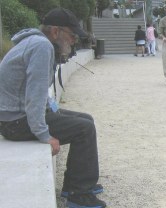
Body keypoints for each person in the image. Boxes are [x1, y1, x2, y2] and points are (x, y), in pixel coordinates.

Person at [0, 8, 106, 208]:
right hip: (15, 121)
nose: (74, 40)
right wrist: (44, 135)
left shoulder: (34, 42)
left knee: (86, 119)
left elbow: (33, 93)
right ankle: (78, 196)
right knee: (84, 129)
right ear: (56, 32)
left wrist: (53, 113)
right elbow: (35, 96)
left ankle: (74, 183)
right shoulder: (42, 47)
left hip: (12, 116)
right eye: (72, 35)